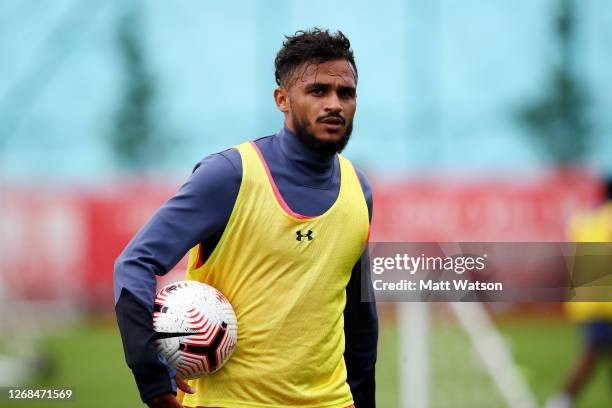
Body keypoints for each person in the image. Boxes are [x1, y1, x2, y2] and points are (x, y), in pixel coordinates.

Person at [114, 28, 378, 408]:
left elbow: (359, 313)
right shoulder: (230, 176)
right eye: (318, 91)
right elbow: (134, 263)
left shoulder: (360, 191)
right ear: (282, 99)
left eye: (346, 93)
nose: (334, 104)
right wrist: (153, 379)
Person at [545, 180, 612, 408]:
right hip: (605, 301)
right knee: (592, 353)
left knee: (596, 352)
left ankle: (562, 400)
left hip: (586, 298)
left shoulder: (582, 218)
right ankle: (562, 400)